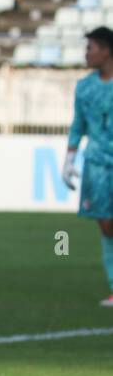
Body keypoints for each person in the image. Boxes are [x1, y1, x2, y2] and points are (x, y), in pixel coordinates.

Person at [63, 25, 113, 306]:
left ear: (106, 50)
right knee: (106, 225)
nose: (86, 53)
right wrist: (69, 158)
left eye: (90, 47)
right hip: (96, 164)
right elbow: (78, 125)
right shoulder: (85, 87)